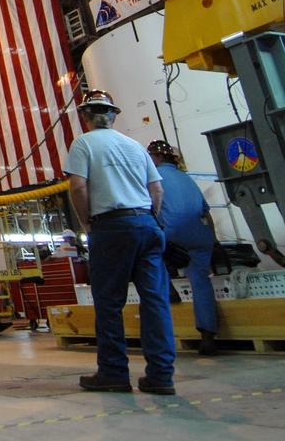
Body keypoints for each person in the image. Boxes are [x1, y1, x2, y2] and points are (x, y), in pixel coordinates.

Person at [64, 90, 175, 396]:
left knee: (110, 303)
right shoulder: (135, 147)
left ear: (85, 117)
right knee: (155, 301)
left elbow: (78, 188)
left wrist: (88, 223)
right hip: (147, 225)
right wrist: (148, 218)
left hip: (112, 227)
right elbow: (157, 190)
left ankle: (113, 372)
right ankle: (161, 376)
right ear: (113, 116)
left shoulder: (83, 143)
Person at [148, 140, 220, 356]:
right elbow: (206, 213)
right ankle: (208, 336)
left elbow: (148, 208)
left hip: (173, 233)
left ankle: (168, 288)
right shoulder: (187, 178)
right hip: (201, 234)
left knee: (144, 250)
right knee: (200, 281)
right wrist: (214, 242)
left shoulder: (152, 177)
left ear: (157, 158)